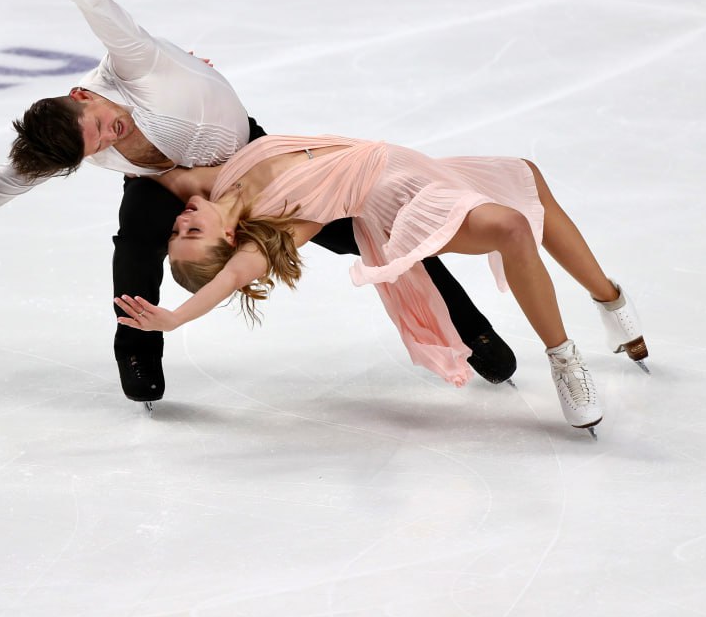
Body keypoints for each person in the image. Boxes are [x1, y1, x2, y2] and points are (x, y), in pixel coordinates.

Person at [0, 0, 518, 405]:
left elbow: (114, 26)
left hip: (253, 162)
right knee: (137, 238)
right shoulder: (78, 141)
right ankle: (138, 349)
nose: (107, 140)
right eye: (94, 148)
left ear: (82, 94)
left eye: (98, 127)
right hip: (168, 183)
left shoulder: (138, 66)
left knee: (371, 228)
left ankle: (470, 329)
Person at [113, 135, 650, 433]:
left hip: (414, 165)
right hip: (401, 203)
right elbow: (233, 276)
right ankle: (564, 360)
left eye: (177, 232)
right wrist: (176, 318)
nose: (180, 220)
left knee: (527, 180)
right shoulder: (280, 224)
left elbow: (143, 141)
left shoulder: (217, 173)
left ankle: (610, 299)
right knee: (510, 228)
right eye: (190, 234)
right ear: (229, 238)